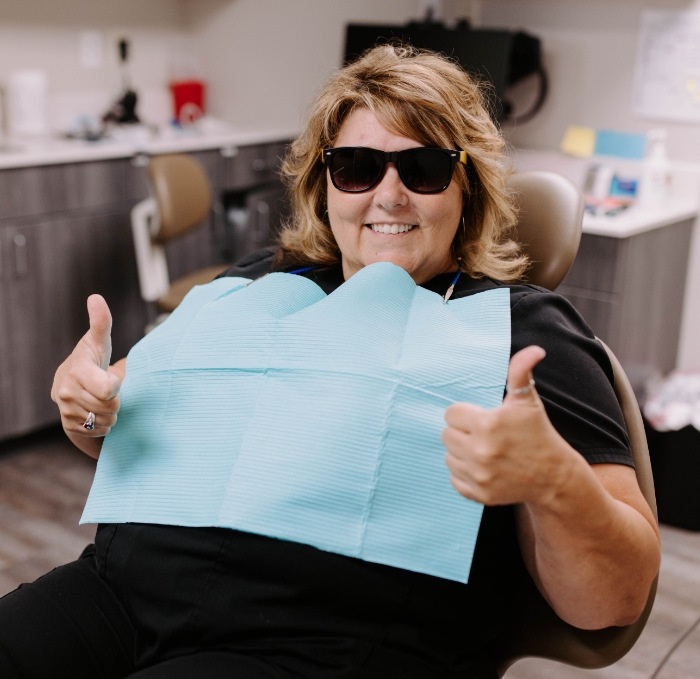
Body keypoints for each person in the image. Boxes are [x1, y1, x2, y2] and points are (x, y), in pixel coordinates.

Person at [0, 44, 660, 679]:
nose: (390, 194)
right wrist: (84, 403)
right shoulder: (256, 281)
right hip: (118, 591)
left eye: (423, 169)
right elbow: (124, 428)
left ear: (468, 189)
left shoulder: (524, 328)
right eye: (358, 168)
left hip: (323, 638)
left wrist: (552, 481)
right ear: (325, 187)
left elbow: (614, 602)